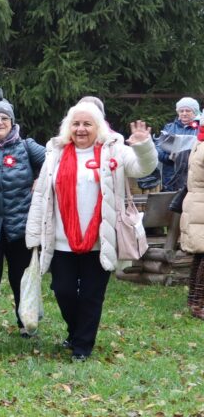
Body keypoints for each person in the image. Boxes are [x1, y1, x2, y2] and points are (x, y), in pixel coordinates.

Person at [26, 102, 156, 361]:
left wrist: (143, 146)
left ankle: (82, 346)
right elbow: (42, 195)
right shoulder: (56, 153)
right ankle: (76, 332)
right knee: (62, 291)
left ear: (98, 127)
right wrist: (34, 233)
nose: (81, 129)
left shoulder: (113, 151)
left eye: (87, 124)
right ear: (68, 127)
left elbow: (144, 169)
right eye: (76, 124)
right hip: (62, 241)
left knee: (91, 295)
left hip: (100, 240)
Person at [0, 100, 46, 345]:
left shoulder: (26, 147)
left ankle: (26, 324)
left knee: (21, 278)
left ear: (12, 122)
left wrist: (39, 184)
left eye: (4, 118)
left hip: (20, 226)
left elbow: (54, 164)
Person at [179, 122, 204, 319]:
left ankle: (194, 300)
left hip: (196, 203)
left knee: (200, 255)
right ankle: (199, 304)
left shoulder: (199, 142)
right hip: (201, 205)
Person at [156, 97, 200, 192]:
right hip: (170, 177)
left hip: (194, 176)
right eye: (181, 110)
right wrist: (169, 157)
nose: (184, 113)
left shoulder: (200, 130)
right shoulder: (169, 128)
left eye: (188, 110)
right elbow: (158, 150)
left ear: (195, 112)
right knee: (171, 205)